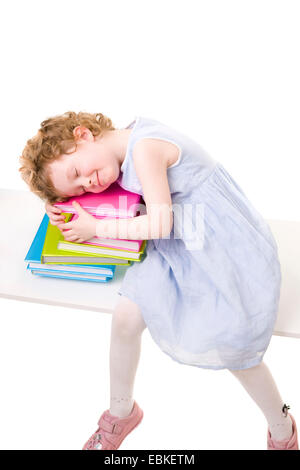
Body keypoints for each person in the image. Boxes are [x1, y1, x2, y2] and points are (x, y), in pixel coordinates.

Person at [19, 111, 298, 451]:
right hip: (181, 243)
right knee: (125, 316)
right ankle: (121, 412)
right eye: (77, 186)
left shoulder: (145, 148)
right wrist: (59, 201)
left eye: (78, 173)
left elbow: (160, 224)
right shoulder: (115, 146)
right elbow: (104, 181)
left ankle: (282, 428)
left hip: (222, 248)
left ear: (83, 134)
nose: (88, 185)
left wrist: (96, 229)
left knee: (233, 341)